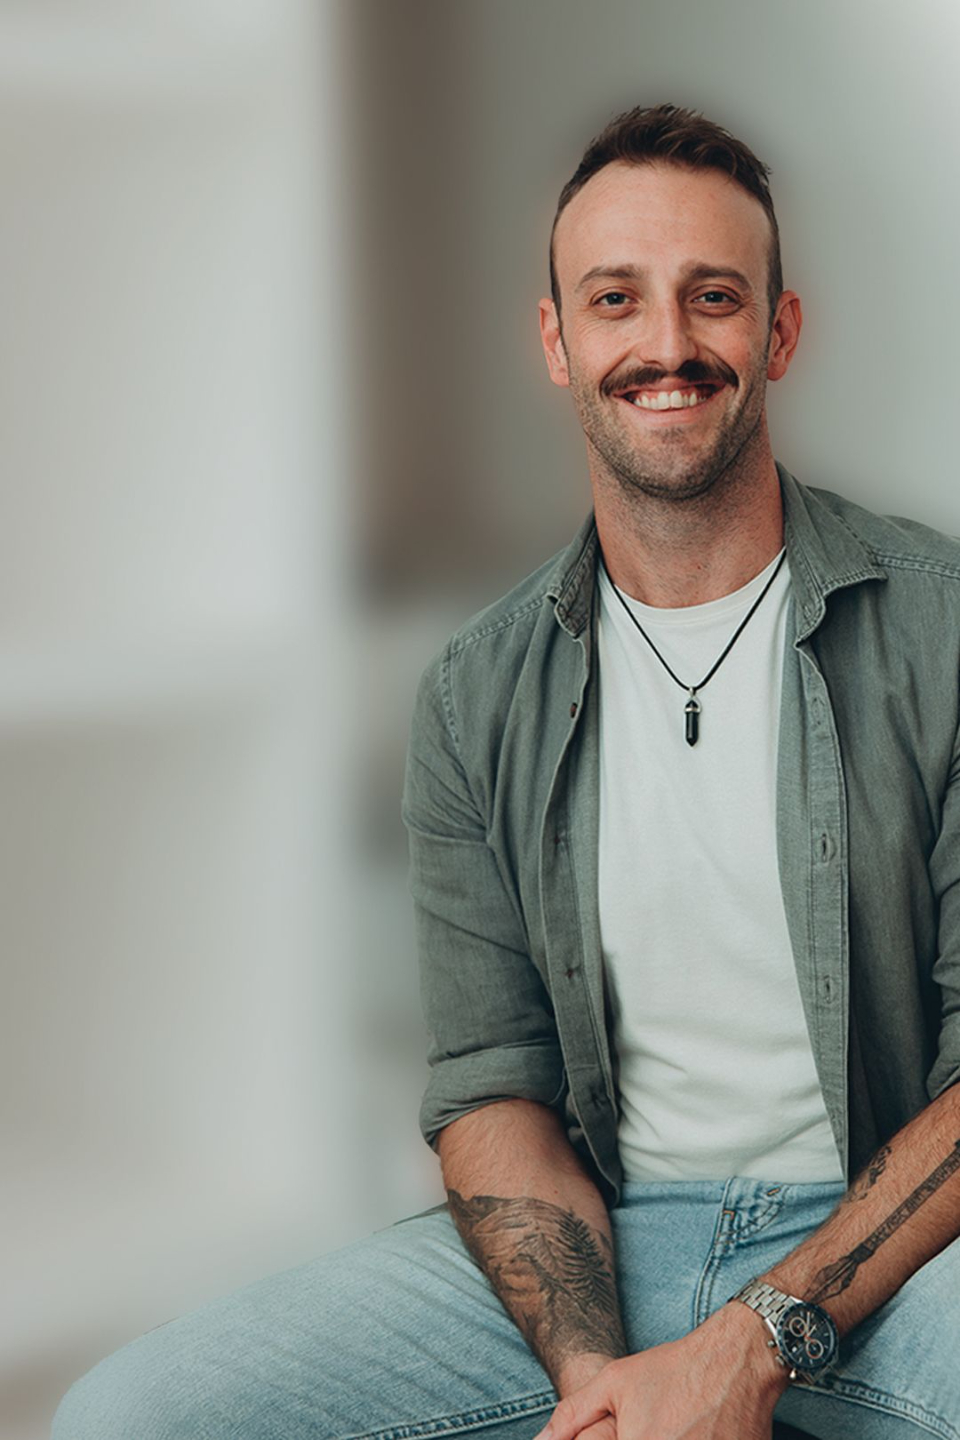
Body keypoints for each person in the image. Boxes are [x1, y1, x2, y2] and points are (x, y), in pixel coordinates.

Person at [52, 103, 960, 1440]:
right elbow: (491, 1086)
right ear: (557, 341)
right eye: (615, 299)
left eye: (712, 297)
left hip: (893, 1253)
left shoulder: (941, 629)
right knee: (123, 1416)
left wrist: (753, 1344)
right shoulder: (474, 696)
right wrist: (601, 1388)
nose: (665, 343)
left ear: (778, 333)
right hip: (606, 1243)